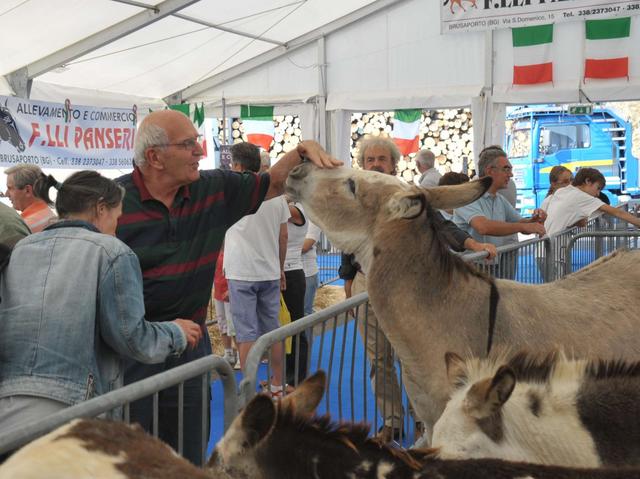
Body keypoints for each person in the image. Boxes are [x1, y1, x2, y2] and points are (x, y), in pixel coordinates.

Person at [115, 110, 340, 465]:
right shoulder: (113, 203)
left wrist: (301, 151)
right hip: (132, 353)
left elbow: (274, 183)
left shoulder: (213, 189)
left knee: (189, 449)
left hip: (189, 346)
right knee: (133, 454)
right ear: (154, 157)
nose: (200, 152)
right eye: (188, 144)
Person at [0, 171, 202, 433]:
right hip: (75, 408)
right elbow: (132, 337)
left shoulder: (22, 248)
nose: (116, 228)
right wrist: (177, 332)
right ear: (101, 208)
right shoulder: (112, 251)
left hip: (9, 407)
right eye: (117, 219)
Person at [340, 136, 496, 442]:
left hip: (405, 288)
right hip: (364, 285)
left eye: (381, 159)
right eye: (370, 160)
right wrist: (347, 279)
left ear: (394, 164)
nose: (375, 165)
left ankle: (423, 419)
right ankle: (393, 421)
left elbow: (442, 225)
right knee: (378, 360)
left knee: (412, 356)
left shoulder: (409, 194)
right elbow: (346, 238)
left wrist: (472, 243)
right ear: (362, 164)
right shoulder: (354, 197)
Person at [223, 142, 289, 394]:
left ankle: (249, 390)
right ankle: (276, 385)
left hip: (240, 271)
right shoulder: (276, 196)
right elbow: (283, 236)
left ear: (237, 165)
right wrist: (280, 268)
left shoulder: (231, 192)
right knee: (273, 331)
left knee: (246, 333)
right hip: (269, 270)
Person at [453, 145, 546, 278]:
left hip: (490, 263)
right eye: (506, 169)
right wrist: (525, 225)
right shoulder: (467, 196)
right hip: (470, 268)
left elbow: (521, 223)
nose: (511, 174)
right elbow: (483, 227)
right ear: (490, 170)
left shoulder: (499, 199)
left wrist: (534, 220)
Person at [544, 167, 640, 237]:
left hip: (543, 248)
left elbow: (577, 222)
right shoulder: (581, 197)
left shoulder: (563, 191)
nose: (598, 194)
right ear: (588, 181)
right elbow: (617, 212)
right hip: (554, 250)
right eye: (598, 188)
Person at [282, 199, 309, 385]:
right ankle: (285, 377)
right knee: (284, 329)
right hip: (282, 273)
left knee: (296, 328)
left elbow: (278, 208)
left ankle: (297, 379)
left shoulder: (297, 209)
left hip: (292, 274)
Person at [4, 164, 56, 232]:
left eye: (10, 188)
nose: (6, 194)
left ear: (27, 190)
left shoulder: (22, 227)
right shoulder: (50, 216)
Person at [302, 220, 322, 317]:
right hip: (291, 272)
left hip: (308, 273)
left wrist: (285, 247)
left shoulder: (313, 221)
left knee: (306, 313)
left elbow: (306, 246)